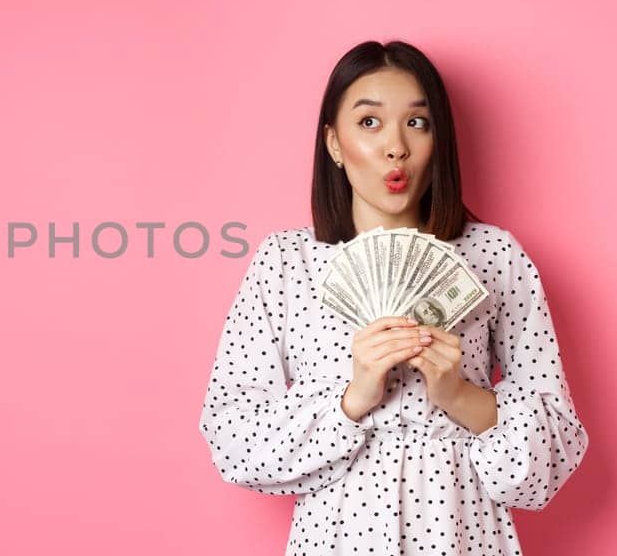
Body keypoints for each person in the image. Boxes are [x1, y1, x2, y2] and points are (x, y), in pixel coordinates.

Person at [197, 40, 590, 554]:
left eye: (417, 123)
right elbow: (232, 439)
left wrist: (458, 395)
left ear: (438, 140)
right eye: (368, 123)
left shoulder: (493, 256)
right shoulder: (286, 263)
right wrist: (352, 397)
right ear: (334, 144)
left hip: (462, 531)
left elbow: (553, 454)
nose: (396, 147)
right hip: (337, 536)